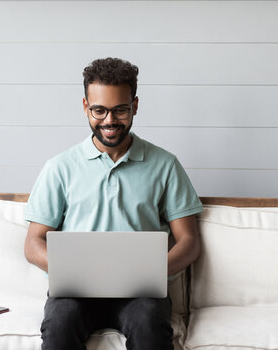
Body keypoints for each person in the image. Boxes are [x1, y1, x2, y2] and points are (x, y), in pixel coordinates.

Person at [23, 57, 203, 350]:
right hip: (75, 292)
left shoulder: (165, 165)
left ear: (134, 106)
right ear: (85, 107)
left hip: (141, 293)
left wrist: (151, 271)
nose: (109, 120)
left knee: (149, 325)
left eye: (119, 110)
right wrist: (72, 269)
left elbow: (189, 241)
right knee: (60, 326)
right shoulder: (60, 167)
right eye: (99, 110)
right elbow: (33, 242)